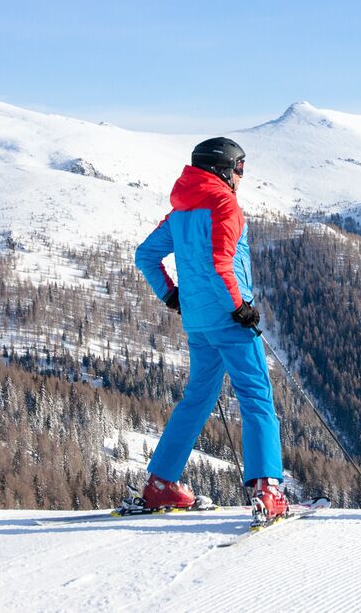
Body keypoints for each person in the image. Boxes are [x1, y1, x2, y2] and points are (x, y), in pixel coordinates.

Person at [133, 136, 288, 521]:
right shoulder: (224, 205)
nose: (241, 176)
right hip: (230, 320)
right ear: (222, 169)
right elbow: (222, 265)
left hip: (198, 323)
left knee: (198, 399)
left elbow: (146, 256)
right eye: (239, 168)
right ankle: (268, 489)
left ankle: (160, 484)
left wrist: (171, 295)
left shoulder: (180, 211)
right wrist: (240, 308)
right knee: (256, 396)